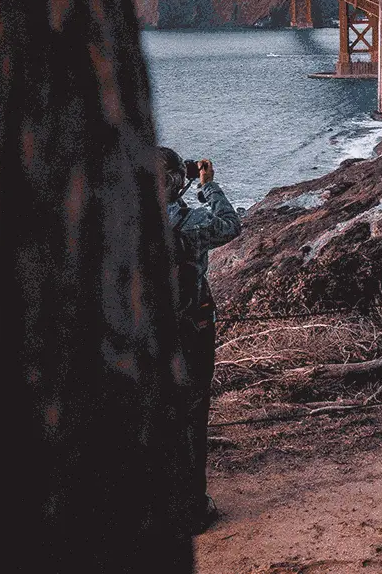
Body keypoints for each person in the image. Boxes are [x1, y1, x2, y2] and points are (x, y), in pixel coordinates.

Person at [159, 146, 242, 535]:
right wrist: (207, 186)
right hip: (191, 328)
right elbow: (230, 224)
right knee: (192, 414)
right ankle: (191, 506)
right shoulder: (191, 224)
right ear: (179, 182)